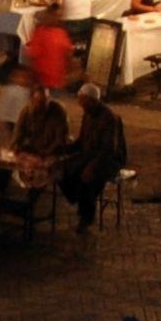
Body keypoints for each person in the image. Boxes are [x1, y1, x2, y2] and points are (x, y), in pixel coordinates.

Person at [60, 83, 129, 232]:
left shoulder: (109, 118)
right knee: (64, 170)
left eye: (83, 101)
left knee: (88, 179)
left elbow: (108, 149)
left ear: (92, 100)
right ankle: (78, 199)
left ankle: (86, 217)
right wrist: (63, 150)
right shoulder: (88, 114)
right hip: (90, 155)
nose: (80, 105)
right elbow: (81, 141)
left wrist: (92, 166)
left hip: (109, 160)